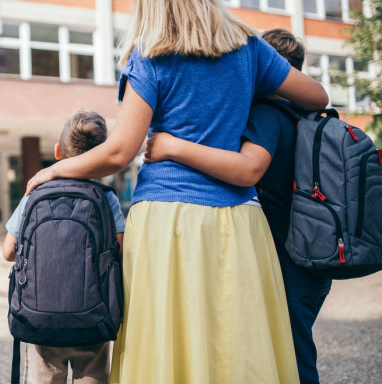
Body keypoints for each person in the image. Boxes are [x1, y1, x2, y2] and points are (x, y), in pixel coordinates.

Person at [25, 0, 329, 382]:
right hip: (239, 221)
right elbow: (317, 96)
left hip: (167, 222)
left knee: (165, 341)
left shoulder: (150, 57)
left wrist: (56, 170)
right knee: (233, 341)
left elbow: (120, 151)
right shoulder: (250, 49)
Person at [143, 28, 333, 384]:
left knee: (292, 354)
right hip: (313, 252)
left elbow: (248, 169)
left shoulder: (268, 114)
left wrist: (172, 147)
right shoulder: (303, 118)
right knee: (294, 347)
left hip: (289, 258)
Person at [3, 109, 126, 384]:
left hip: (40, 320)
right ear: (101, 156)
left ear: (58, 152)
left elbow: (8, 251)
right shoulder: (107, 199)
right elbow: (119, 253)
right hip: (93, 319)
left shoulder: (35, 192)